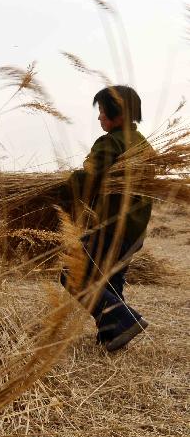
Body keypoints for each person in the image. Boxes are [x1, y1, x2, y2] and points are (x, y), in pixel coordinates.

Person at [60, 85, 152, 351]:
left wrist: (60, 189)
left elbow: (87, 179)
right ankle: (113, 336)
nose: (99, 117)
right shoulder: (143, 143)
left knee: (70, 273)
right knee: (109, 280)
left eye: (102, 111)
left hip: (111, 225)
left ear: (117, 113)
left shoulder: (111, 143)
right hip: (135, 230)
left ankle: (124, 321)